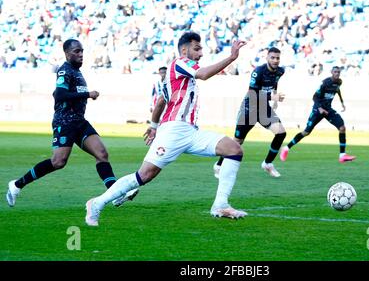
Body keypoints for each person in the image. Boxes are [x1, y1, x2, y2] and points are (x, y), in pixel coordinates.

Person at [85, 32, 247, 226]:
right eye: (197, 49)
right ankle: (97, 203)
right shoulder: (180, 62)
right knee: (144, 175)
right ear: (184, 49)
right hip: (173, 131)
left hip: (191, 132)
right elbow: (203, 74)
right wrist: (231, 57)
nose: (201, 53)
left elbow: (161, 101)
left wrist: (153, 126)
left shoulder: (178, 74)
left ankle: (220, 204)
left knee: (234, 149)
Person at [5, 39, 138, 207]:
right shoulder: (65, 71)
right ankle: (17, 185)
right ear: (67, 54)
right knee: (58, 162)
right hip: (65, 122)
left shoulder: (77, 72)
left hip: (79, 122)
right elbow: (60, 95)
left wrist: (85, 95)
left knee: (102, 154)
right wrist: (88, 94)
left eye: (82, 51)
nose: (81, 54)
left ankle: (115, 192)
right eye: (76, 51)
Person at [213, 47, 287, 178]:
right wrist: (272, 97)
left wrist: (274, 99)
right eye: (273, 58)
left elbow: (274, 84)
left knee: (281, 133)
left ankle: (268, 163)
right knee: (237, 142)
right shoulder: (258, 72)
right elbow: (252, 94)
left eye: (277, 58)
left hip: (263, 108)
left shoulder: (280, 71)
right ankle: (218, 165)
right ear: (267, 58)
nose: (275, 60)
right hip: (250, 109)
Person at [280, 66, 356, 163]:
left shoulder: (339, 82)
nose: (337, 73)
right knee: (306, 132)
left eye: (338, 72)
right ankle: (286, 148)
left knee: (342, 128)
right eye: (335, 72)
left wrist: (342, 102)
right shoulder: (325, 83)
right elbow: (315, 96)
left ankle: (342, 155)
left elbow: (337, 90)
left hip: (328, 110)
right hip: (318, 110)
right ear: (331, 72)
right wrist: (320, 108)